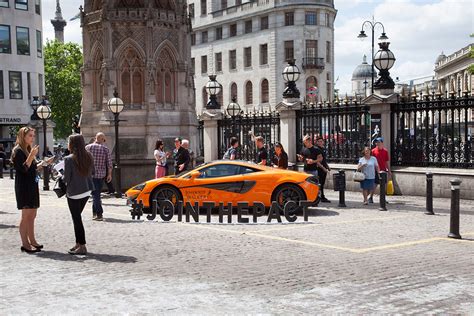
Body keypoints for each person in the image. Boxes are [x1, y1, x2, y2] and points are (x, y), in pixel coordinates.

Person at [11, 127, 52, 253]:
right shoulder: (18, 151)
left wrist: (44, 163)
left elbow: (32, 168)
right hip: (24, 186)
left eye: (33, 135)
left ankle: (33, 240)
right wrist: (31, 156)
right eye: (30, 135)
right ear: (23, 136)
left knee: (33, 215)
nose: (32, 138)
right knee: (26, 215)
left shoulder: (28, 149)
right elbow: (23, 169)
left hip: (32, 185)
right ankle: (25, 243)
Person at [63, 134, 94, 255]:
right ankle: (78, 243)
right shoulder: (89, 156)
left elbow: (67, 179)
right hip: (86, 190)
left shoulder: (69, 159)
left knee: (77, 219)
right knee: (77, 218)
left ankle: (82, 246)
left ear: (72, 144)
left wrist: (60, 175)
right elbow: (93, 171)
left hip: (74, 192)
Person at [85, 132, 112, 221]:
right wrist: (109, 174)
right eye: (104, 140)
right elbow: (109, 163)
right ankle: (99, 213)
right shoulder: (105, 149)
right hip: (100, 175)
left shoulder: (88, 147)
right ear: (102, 139)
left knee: (94, 194)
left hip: (89, 174)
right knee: (96, 194)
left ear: (95, 138)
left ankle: (95, 213)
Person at [370, 137, 391, 203]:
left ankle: (383, 198)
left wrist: (389, 171)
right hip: (375, 170)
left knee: (384, 185)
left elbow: (386, 162)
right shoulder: (373, 151)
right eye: (376, 142)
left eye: (379, 142)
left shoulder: (385, 151)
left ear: (382, 143)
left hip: (383, 170)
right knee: (375, 184)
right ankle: (370, 197)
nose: (377, 143)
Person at [315, 136, 331, 203]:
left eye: (321, 141)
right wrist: (323, 168)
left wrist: (327, 166)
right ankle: (321, 197)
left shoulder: (323, 149)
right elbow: (318, 161)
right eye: (318, 141)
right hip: (320, 169)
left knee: (322, 183)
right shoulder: (317, 149)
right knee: (320, 183)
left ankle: (321, 196)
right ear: (316, 142)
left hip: (324, 168)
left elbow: (323, 160)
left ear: (323, 142)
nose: (320, 143)